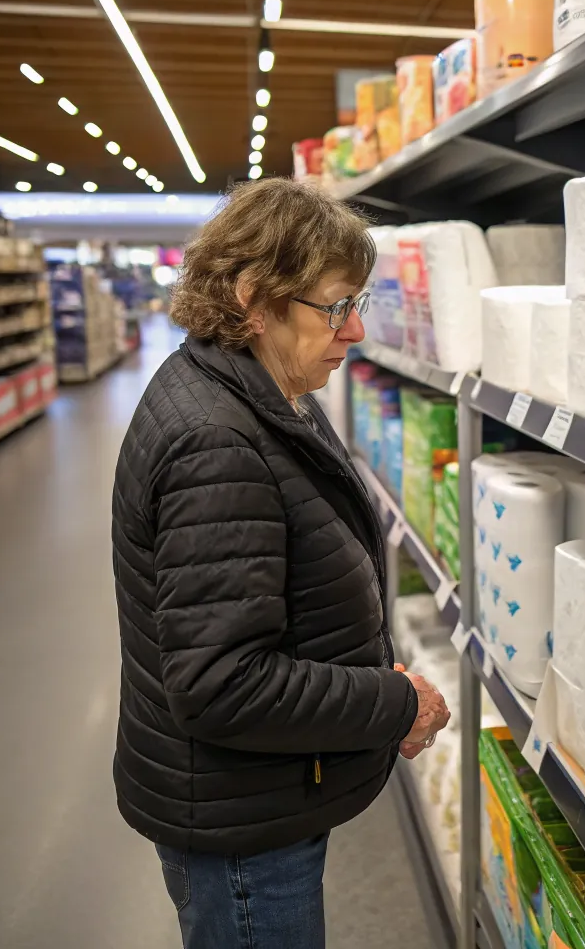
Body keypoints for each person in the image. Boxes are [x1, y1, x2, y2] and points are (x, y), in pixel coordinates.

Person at [111, 177, 451, 949]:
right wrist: (393, 705)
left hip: (251, 799)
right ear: (253, 299)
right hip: (241, 831)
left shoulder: (259, 390)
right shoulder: (218, 442)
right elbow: (221, 684)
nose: (356, 330)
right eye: (335, 307)